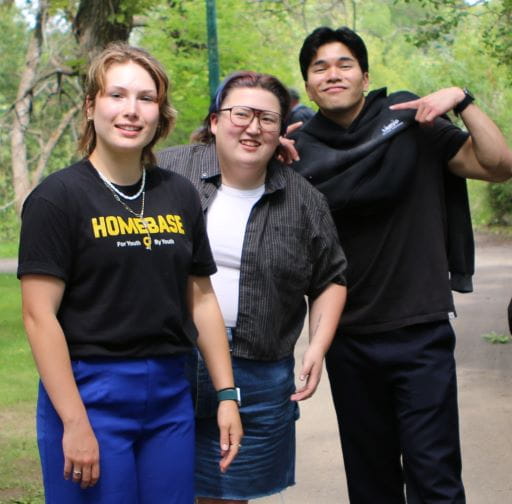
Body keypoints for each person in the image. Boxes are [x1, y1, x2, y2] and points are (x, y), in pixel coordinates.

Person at [289, 26, 512, 504]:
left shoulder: (412, 123)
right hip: (348, 339)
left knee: (436, 482)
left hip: (419, 330)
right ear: (308, 84)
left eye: (344, 63)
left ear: (365, 76)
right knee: (372, 487)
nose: (333, 74)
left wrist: (463, 100)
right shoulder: (299, 151)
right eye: (319, 67)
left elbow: (498, 164)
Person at [17, 43, 242, 504]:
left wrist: (226, 394)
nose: (131, 110)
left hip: (168, 396)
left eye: (146, 98)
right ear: (90, 106)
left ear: (160, 113)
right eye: (116, 95)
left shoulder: (178, 194)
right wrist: (75, 423)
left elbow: (200, 298)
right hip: (89, 393)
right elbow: (40, 318)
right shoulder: (57, 199)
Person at [157, 71, 347, 503]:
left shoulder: (303, 199)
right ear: (214, 122)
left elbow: (331, 277)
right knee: (161, 486)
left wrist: (317, 346)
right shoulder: (168, 171)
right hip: (170, 359)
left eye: (267, 118)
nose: (253, 126)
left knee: (229, 490)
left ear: (282, 131)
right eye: (241, 113)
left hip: (257, 368)